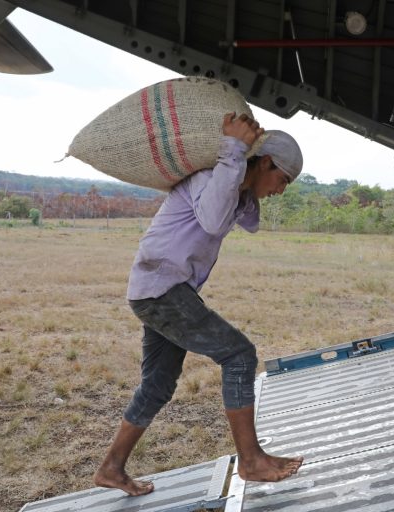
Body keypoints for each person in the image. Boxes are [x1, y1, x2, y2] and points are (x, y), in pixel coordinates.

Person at [93, 112, 305, 496]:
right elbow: (210, 220)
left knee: (157, 385)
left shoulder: (234, 192)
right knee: (239, 354)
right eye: (282, 179)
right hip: (163, 290)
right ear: (267, 163)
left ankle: (111, 468)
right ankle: (251, 460)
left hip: (161, 291)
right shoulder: (210, 179)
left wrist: (244, 169)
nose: (281, 190)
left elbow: (246, 218)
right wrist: (234, 150)